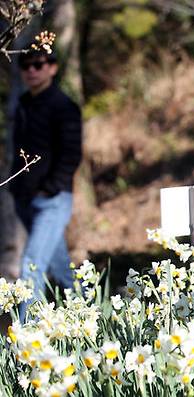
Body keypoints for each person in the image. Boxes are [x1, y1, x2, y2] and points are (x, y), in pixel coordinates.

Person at [9, 47, 82, 320]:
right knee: (61, 267)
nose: (31, 70)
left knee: (31, 265)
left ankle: (29, 341)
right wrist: (18, 191)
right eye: (25, 65)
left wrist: (50, 188)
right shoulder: (24, 103)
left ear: (52, 67)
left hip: (52, 201)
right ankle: (93, 318)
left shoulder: (63, 106)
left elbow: (71, 155)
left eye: (38, 64)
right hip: (25, 201)